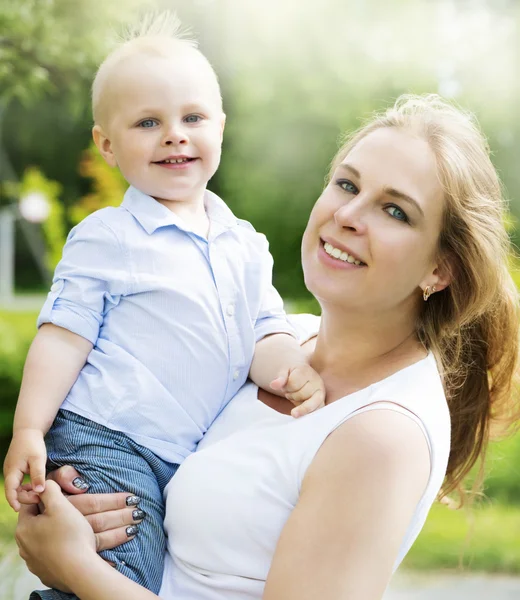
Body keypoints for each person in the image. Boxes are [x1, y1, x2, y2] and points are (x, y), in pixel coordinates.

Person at [16, 94, 519, 600]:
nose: (347, 214)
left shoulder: (382, 434)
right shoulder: (275, 339)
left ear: (441, 269)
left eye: (395, 210)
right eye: (347, 184)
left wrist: (76, 566)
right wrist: (87, 491)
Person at [3, 11, 327, 599]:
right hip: (109, 435)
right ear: (107, 144)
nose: (175, 134)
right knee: (121, 572)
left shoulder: (244, 242)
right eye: (148, 122)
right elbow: (63, 334)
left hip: (184, 455)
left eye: (192, 117)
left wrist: (289, 368)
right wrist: (31, 426)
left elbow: (262, 329)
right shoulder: (108, 235)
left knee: (162, 567)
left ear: (221, 129)